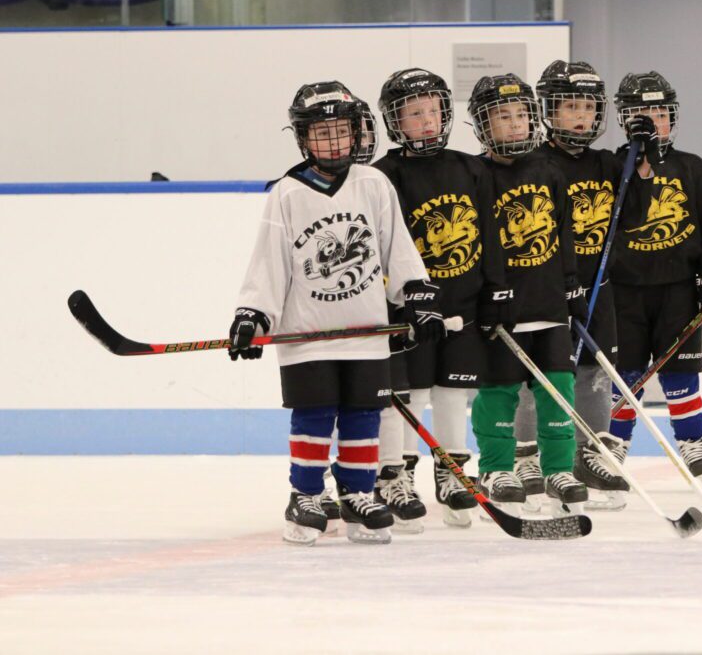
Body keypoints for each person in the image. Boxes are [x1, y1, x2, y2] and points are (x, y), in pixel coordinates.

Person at [230, 80, 443, 546]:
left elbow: (397, 248)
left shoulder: (374, 184)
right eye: (321, 133)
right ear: (303, 138)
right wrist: (253, 314)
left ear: (357, 133)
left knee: (364, 414)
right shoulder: (287, 192)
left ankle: (359, 494)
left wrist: (418, 296)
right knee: (314, 413)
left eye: (340, 131)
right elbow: (270, 262)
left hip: (367, 333)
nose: (332, 142)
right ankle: (304, 496)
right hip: (307, 335)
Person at [372, 68, 512, 529]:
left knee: (454, 391)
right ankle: (400, 475)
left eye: (433, 110)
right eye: (415, 114)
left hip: (463, 304)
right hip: (406, 311)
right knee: (409, 393)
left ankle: (452, 473)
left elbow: (490, 235)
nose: (427, 121)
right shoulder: (383, 176)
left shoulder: (471, 167)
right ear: (395, 122)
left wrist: (494, 293)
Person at [604, 71, 702, 493]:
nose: (653, 122)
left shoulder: (692, 168)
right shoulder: (612, 168)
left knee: (682, 372)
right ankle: (615, 446)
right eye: (642, 114)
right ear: (624, 119)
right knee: (624, 374)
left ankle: (692, 443)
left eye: (660, 113)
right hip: (623, 291)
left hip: (678, 289)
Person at [468, 73, 590, 513]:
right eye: (504, 116)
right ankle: (497, 467)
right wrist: (486, 296)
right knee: (498, 389)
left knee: (558, 388)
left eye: (522, 114)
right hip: (502, 311)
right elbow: (476, 243)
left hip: (548, 304)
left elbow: (564, 233)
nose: (516, 124)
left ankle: (558, 468)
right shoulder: (476, 175)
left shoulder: (548, 170)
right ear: (483, 124)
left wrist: (572, 283)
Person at [512, 60, 631, 510]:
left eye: (587, 106)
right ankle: (525, 456)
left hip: (597, 285)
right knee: (534, 373)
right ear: (548, 110)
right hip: (542, 286)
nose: (580, 116)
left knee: (593, 372)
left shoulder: (609, 164)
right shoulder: (534, 163)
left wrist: (647, 152)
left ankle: (589, 454)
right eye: (569, 107)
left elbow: (640, 204)